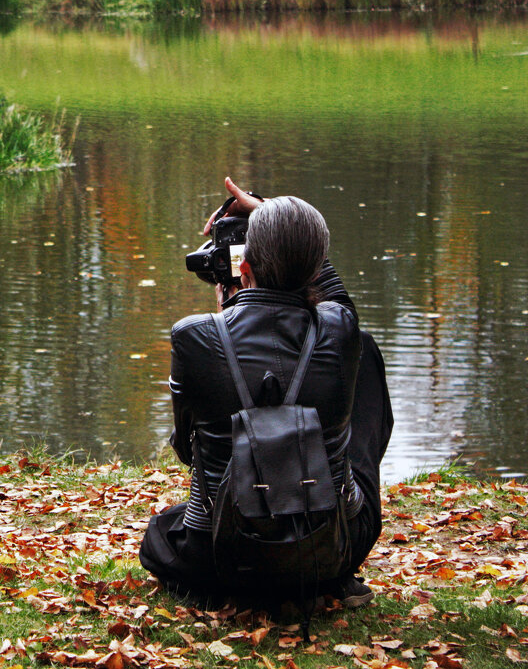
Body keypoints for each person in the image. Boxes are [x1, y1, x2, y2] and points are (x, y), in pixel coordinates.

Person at [139, 177, 393, 609]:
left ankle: (244, 584)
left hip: (215, 556)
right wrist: (268, 210)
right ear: (316, 270)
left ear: (243, 267)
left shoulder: (193, 337)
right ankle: (315, 578)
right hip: (332, 552)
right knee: (364, 359)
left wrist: (229, 316)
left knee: (160, 537)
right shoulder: (342, 330)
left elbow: (187, 452)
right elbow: (333, 297)